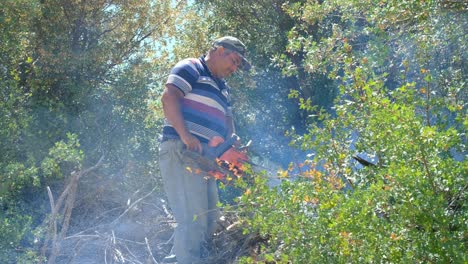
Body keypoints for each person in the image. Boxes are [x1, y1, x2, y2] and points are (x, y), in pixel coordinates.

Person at [159, 36, 251, 263]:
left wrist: (232, 147)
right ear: (220, 50)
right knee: (193, 219)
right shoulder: (192, 67)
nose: (234, 68)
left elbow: (228, 123)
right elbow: (169, 97)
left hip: (207, 160)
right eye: (234, 61)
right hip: (182, 151)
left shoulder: (223, 88)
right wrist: (185, 135)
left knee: (209, 220)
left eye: (238, 65)